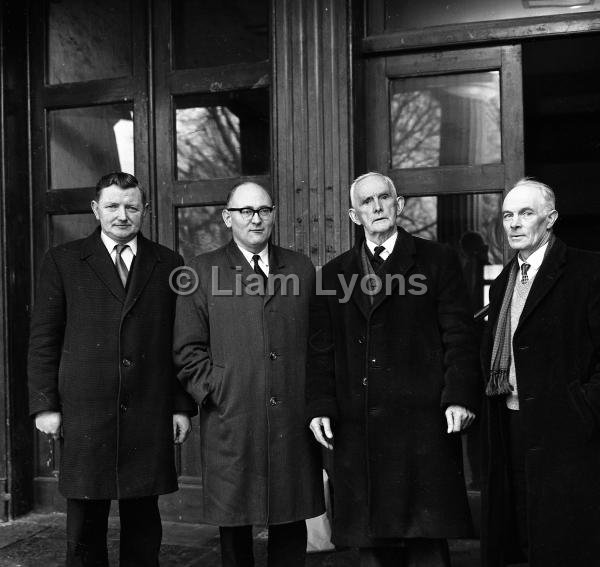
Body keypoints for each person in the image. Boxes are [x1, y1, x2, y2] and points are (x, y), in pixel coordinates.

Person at [306, 171, 480, 567]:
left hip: (422, 426)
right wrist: (319, 406)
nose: (378, 207)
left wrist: (459, 396)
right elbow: (320, 353)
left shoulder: (437, 260)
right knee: (373, 548)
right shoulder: (331, 276)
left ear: (399, 205)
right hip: (359, 428)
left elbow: (460, 336)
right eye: (367, 202)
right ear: (354, 215)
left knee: (427, 545)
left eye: (385, 198)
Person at [28, 171, 196, 566]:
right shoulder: (63, 261)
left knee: (143, 520)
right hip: (86, 411)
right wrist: (45, 405)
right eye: (112, 206)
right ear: (95, 210)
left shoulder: (169, 262)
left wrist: (180, 405)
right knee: (85, 520)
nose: (122, 215)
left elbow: (181, 339)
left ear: (145, 210)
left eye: (131, 207)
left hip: (148, 410)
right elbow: (43, 339)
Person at [173, 181, 324, 567]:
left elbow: (317, 342)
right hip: (232, 415)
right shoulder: (202, 270)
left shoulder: (301, 268)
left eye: (264, 210)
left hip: (290, 416)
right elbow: (187, 350)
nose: (256, 219)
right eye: (246, 211)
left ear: (273, 214)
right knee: (235, 524)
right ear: (228, 218)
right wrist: (219, 389)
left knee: (290, 520)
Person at [481, 178, 600, 566]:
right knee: (527, 539)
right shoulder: (505, 280)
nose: (514, 223)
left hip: (568, 431)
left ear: (550, 219)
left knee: (568, 543)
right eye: (508, 215)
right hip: (513, 424)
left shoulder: (587, 270)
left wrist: (584, 408)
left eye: (526, 213)